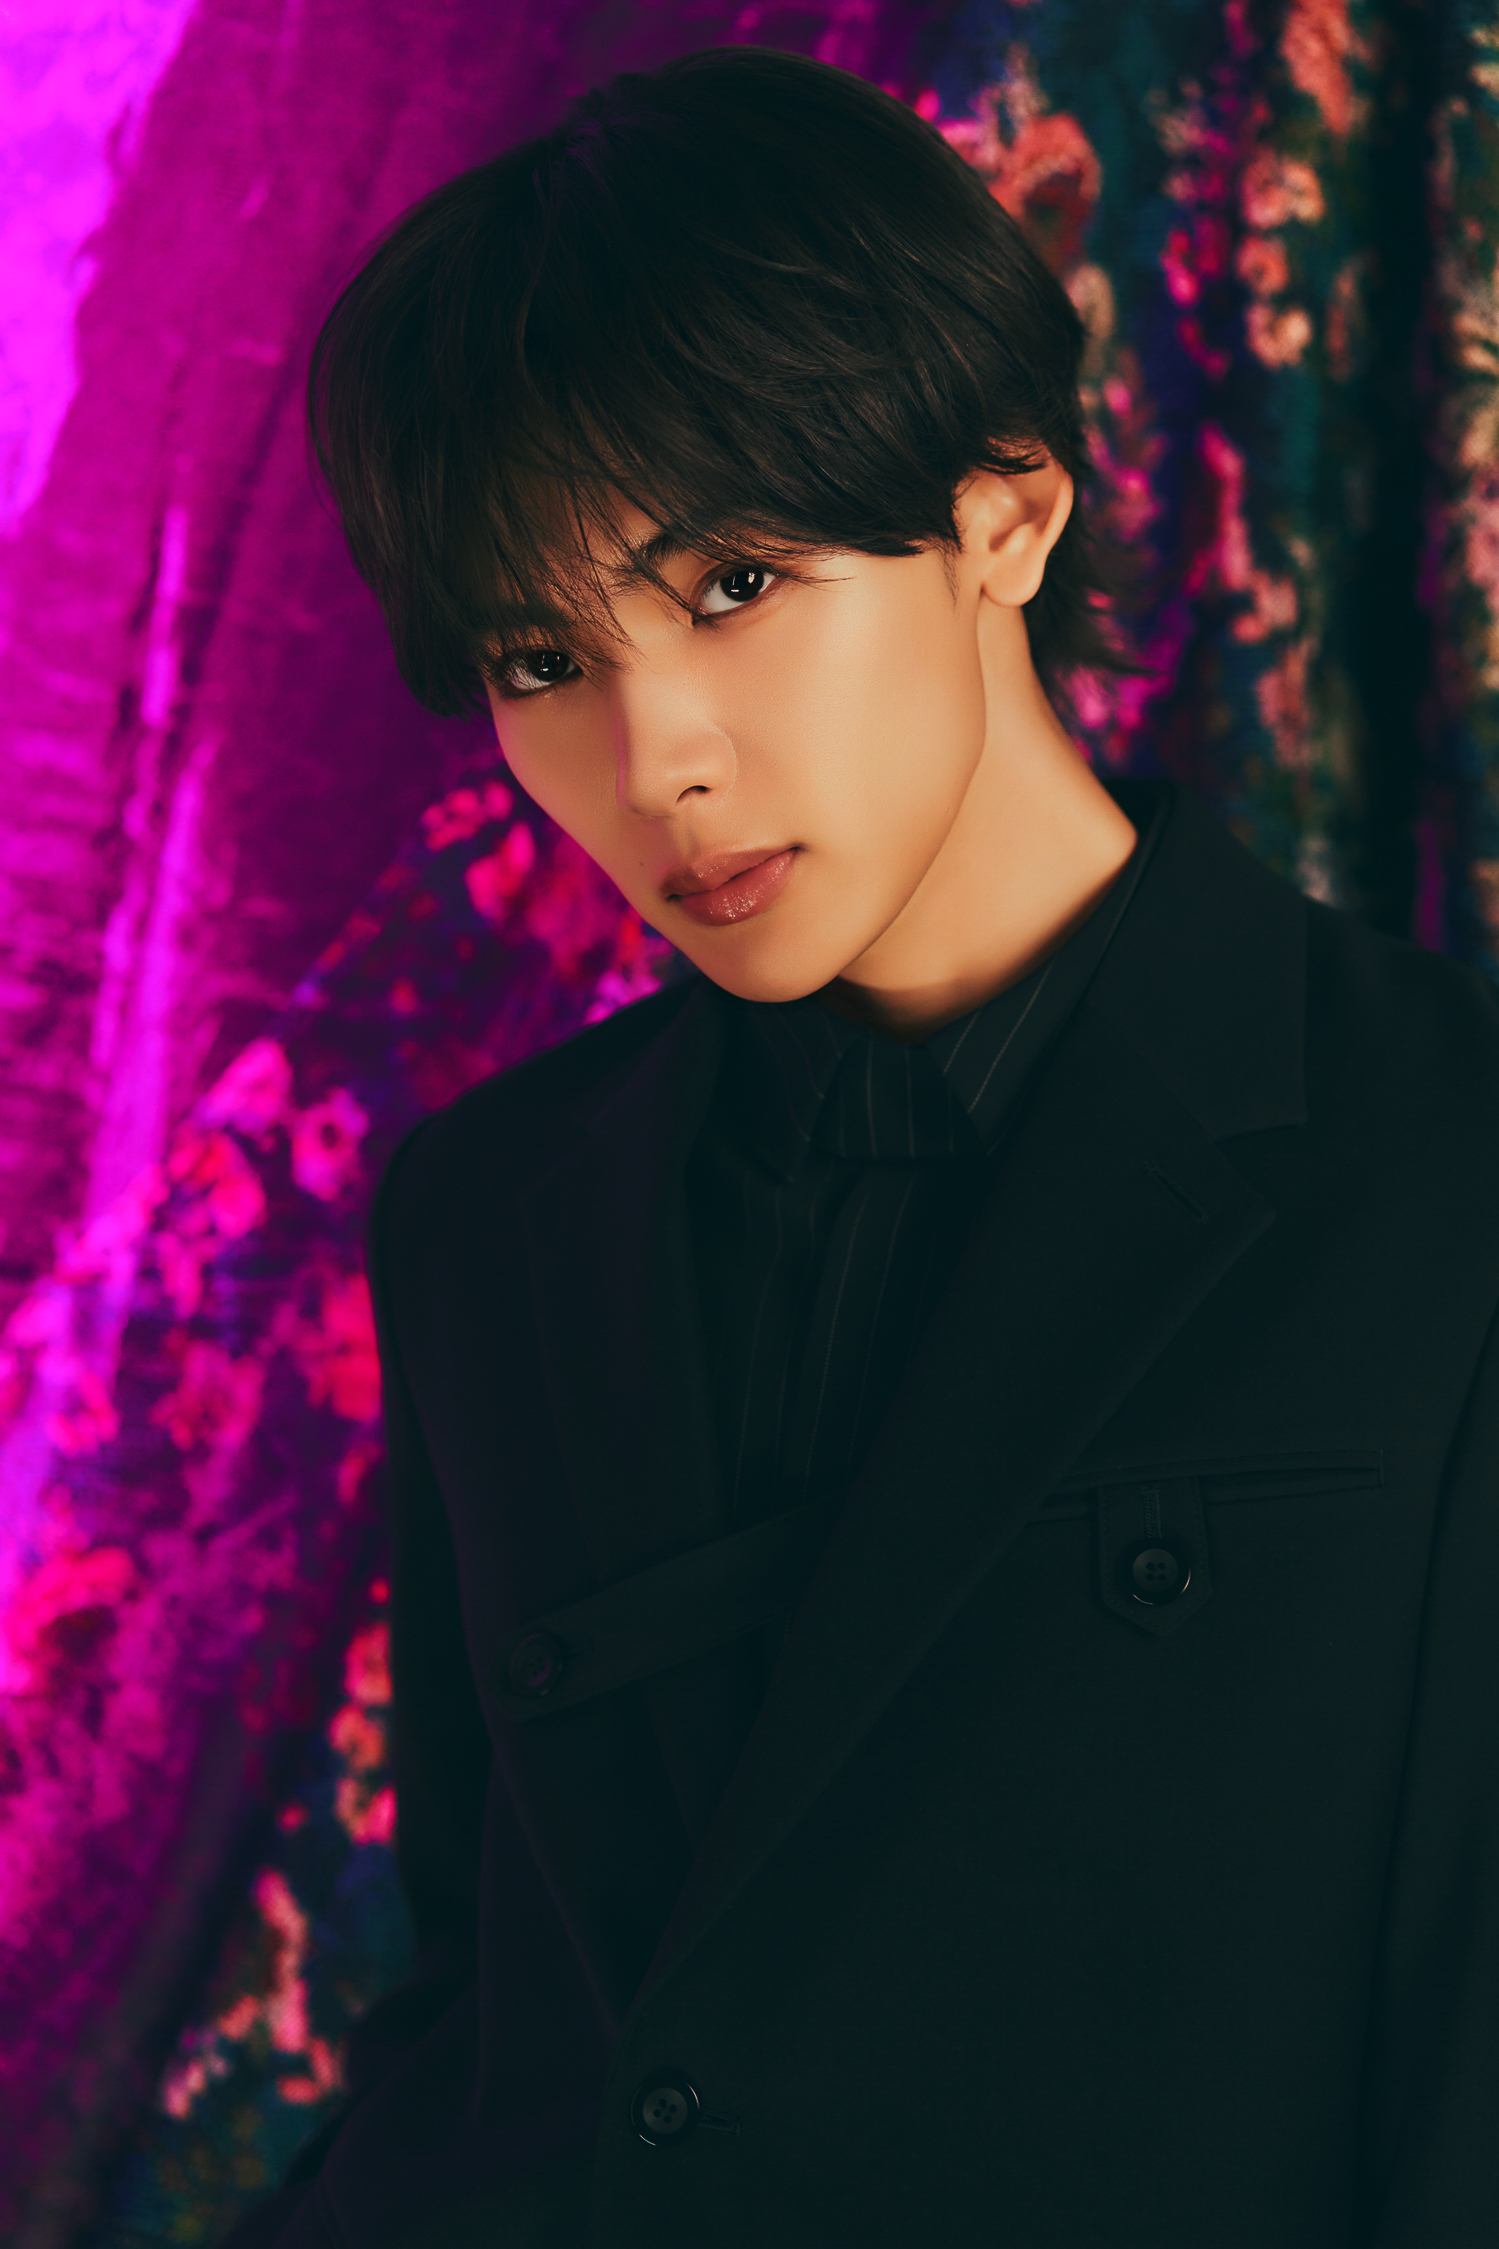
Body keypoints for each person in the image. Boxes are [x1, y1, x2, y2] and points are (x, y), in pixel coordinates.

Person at [230, 45, 1499, 2249]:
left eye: (732, 583)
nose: (655, 758)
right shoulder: (488, 1219)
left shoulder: (1445, 1163)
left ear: (1004, 514)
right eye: (541, 656)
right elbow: (507, 2028)